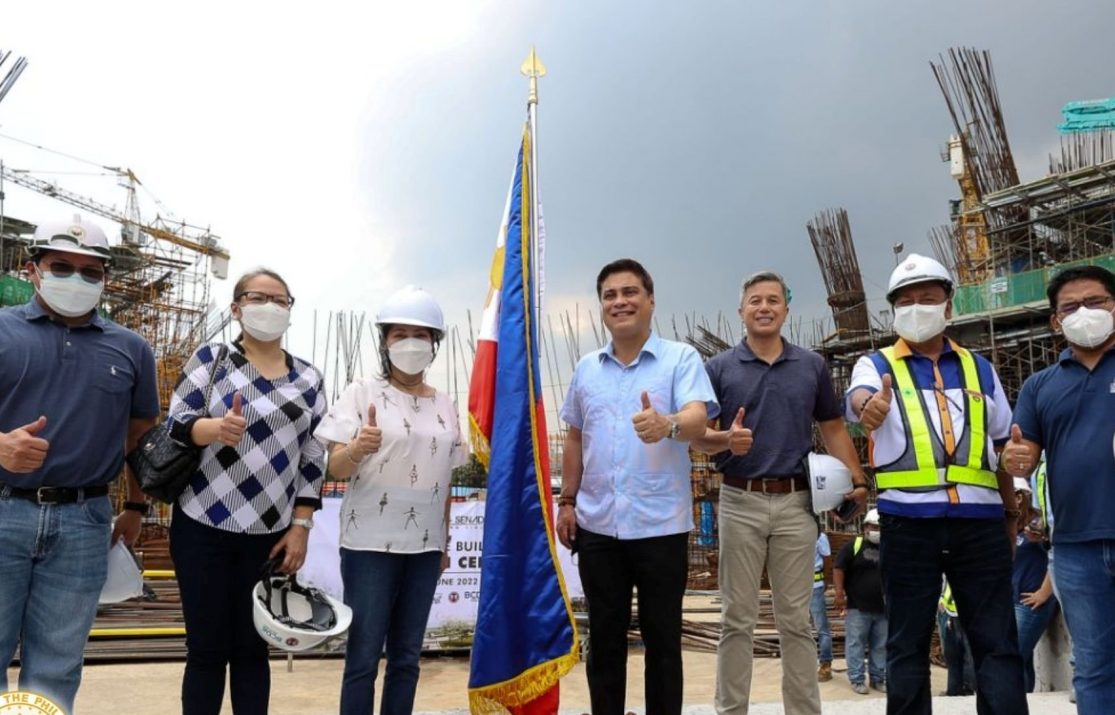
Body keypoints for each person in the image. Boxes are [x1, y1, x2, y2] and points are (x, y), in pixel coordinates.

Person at [846, 253, 1027, 715]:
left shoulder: (979, 369)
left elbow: (1002, 446)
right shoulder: (876, 365)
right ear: (893, 311)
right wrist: (869, 408)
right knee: (906, 644)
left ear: (948, 306)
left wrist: (1011, 512)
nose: (917, 308)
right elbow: (860, 399)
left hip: (980, 522)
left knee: (997, 642)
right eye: (905, 302)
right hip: (908, 524)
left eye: (927, 298)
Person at [0, 216, 159, 711]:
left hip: (84, 522)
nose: (77, 279)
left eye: (91, 272)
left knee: (57, 664)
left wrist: (136, 506)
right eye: (62, 267)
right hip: (4, 509)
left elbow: (140, 435)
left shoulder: (131, 348)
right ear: (33, 269)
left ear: (106, 278)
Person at [691, 270, 868, 715]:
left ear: (786, 310)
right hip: (739, 500)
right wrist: (725, 440)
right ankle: (731, 710)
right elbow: (699, 436)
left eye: (773, 300)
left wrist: (858, 478)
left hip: (796, 503)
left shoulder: (811, 366)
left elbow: (832, 427)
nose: (764, 307)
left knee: (796, 619)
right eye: (755, 300)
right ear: (741, 310)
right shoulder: (719, 368)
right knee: (737, 618)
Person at [556, 259, 718, 715]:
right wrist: (567, 501)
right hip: (598, 526)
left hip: (660, 526)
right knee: (604, 639)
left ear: (650, 301)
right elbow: (575, 437)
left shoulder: (680, 359)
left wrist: (668, 424)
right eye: (609, 295)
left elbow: (698, 418)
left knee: (662, 640)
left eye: (630, 292)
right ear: (601, 306)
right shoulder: (587, 369)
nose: (620, 302)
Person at [167, 269, 326, 715]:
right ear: (237, 309)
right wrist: (214, 429)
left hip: (269, 534)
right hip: (203, 524)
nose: (270, 307)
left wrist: (301, 526)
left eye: (280, 300)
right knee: (206, 649)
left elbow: (313, 456)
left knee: (254, 649)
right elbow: (176, 423)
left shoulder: (309, 378)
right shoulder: (211, 359)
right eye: (259, 298)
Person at [315, 286, 466, 715]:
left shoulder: (445, 404)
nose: (411, 343)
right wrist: (356, 447)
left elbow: (446, 479)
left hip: (424, 548)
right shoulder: (361, 392)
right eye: (400, 334)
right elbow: (335, 468)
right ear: (384, 341)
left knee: (407, 657)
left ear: (434, 344)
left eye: (421, 335)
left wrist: (444, 542)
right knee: (363, 658)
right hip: (368, 546)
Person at [1003, 264, 1115, 714]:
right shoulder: (1040, 386)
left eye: (1096, 302)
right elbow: (1023, 454)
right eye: (1071, 307)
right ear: (1055, 321)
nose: (1084, 312)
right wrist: (1014, 459)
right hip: (1074, 548)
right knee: (1093, 665)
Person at [1010, 476, 1057, 693]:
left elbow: (1055, 556)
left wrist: (1044, 593)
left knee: (1014, 655)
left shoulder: (1037, 524)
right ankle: (1026, 700)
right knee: (1023, 657)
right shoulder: (1012, 526)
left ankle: (1016, 700)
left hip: (1031, 603)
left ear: (1020, 497)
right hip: (1013, 598)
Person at [833, 509, 887, 695]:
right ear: (865, 527)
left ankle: (878, 679)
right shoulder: (854, 546)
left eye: (880, 527)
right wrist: (839, 594)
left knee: (881, 646)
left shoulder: (888, 548)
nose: (877, 531)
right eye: (874, 527)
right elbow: (838, 568)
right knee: (856, 644)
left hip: (883, 608)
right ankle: (857, 679)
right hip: (858, 607)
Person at [937, 579, 975, 697]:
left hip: (968, 612)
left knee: (968, 655)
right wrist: (942, 598)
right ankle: (953, 690)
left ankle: (968, 689)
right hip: (949, 611)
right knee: (952, 655)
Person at [811, 532, 834, 682]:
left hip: (815, 587)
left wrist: (826, 580)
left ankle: (825, 665)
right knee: (798, 628)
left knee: (822, 629)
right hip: (796, 587)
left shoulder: (820, 536)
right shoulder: (793, 532)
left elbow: (827, 559)